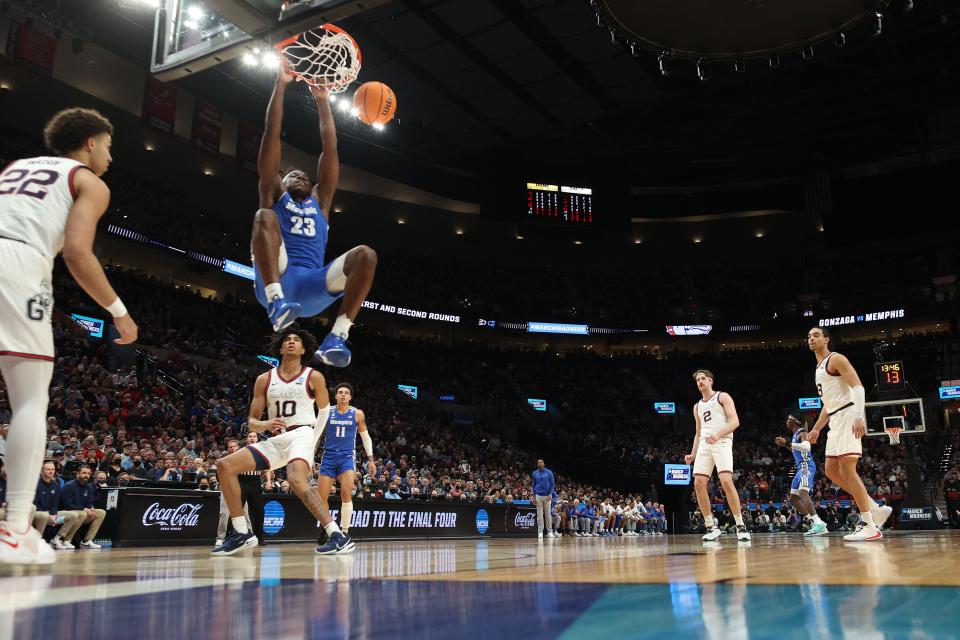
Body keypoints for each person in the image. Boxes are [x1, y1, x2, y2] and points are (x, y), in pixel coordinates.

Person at [0, 108, 137, 564]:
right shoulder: (88, 181)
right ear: (92, 144)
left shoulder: (15, 167)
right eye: (110, 146)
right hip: (18, 266)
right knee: (30, 401)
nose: (112, 156)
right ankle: (17, 528)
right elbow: (78, 253)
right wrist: (118, 311)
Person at [252, 57, 376, 367]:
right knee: (263, 217)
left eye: (306, 175)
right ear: (282, 180)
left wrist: (323, 100)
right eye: (293, 174)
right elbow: (271, 132)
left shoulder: (321, 203)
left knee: (366, 255)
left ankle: (338, 336)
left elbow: (330, 147)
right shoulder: (274, 194)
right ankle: (276, 302)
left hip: (312, 287)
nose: (301, 176)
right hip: (277, 277)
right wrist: (280, 85)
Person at [212, 328, 345, 555]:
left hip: (303, 433)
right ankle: (242, 532)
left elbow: (324, 412)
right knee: (225, 466)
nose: (291, 342)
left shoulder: (313, 376)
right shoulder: (264, 379)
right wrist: (265, 424)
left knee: (294, 478)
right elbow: (252, 421)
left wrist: (311, 446)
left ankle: (337, 534)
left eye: (297, 340)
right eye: (287, 340)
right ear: (280, 348)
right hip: (276, 439)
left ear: (304, 349)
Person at [806, 327, 892, 541]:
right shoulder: (818, 367)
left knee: (847, 466)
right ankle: (874, 508)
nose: (811, 339)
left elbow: (858, 386)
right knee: (831, 470)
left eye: (816, 335)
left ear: (826, 339)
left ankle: (869, 524)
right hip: (835, 418)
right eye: (808, 336)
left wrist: (857, 415)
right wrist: (817, 428)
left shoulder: (836, 359)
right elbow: (828, 404)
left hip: (847, 414)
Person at [684, 369, 751, 542]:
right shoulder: (696, 406)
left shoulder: (722, 397)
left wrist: (718, 434)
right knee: (698, 483)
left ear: (711, 381)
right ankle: (710, 526)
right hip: (705, 444)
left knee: (726, 481)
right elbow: (698, 433)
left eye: (703, 378)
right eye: (697, 379)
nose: (700, 381)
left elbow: (735, 421)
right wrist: (693, 454)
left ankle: (740, 525)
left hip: (722, 441)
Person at [316, 383, 376, 547]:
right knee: (321, 499)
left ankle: (345, 532)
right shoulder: (327, 412)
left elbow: (365, 437)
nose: (343, 395)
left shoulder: (357, 413)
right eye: (340, 392)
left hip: (347, 457)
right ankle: (328, 527)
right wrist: (309, 456)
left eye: (346, 393)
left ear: (350, 397)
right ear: (335, 396)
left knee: (346, 492)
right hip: (328, 456)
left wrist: (371, 460)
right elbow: (317, 435)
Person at [774, 415, 828, 536]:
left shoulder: (802, 432)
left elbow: (806, 446)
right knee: (793, 498)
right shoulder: (795, 435)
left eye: (789, 419)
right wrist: (785, 445)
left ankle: (819, 523)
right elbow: (796, 450)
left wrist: (787, 442)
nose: (786, 421)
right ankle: (814, 522)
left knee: (803, 493)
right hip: (800, 468)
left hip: (806, 466)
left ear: (795, 421)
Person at [531, 458, 556, 539]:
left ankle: (549, 532)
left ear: (544, 464)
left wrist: (550, 493)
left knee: (548, 514)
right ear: (537, 464)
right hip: (538, 495)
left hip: (547, 496)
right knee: (539, 515)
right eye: (538, 462)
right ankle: (540, 532)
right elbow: (533, 486)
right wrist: (534, 497)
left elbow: (552, 484)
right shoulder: (535, 473)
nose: (540, 463)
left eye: (541, 462)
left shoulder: (549, 472)